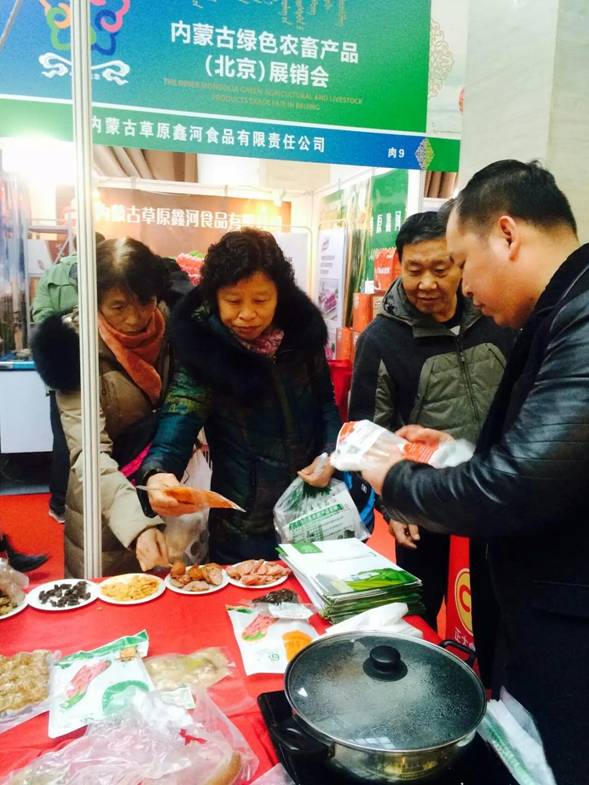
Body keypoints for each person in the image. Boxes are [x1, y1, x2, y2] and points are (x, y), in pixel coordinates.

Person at [360, 160, 588, 785]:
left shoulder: (580, 316)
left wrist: (395, 480)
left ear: (507, 235)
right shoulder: (559, 310)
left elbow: (516, 485)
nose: (460, 283)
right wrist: (457, 452)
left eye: (460, 262)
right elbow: (551, 460)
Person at [349, 210, 513, 628]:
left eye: (440, 269)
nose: (427, 283)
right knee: (417, 614)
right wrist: (393, 505)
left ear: (460, 264)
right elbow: (366, 434)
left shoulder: (496, 320)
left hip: (497, 492)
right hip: (424, 503)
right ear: (398, 265)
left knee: (495, 611)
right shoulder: (381, 340)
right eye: (414, 270)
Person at [139, 228, 341, 563]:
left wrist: (329, 454)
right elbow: (179, 418)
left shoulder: (301, 336)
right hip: (243, 528)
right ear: (214, 297)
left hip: (312, 515)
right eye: (233, 301)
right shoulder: (205, 350)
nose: (247, 314)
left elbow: (326, 405)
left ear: (279, 295)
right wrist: (157, 472)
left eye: (261, 300)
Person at [31, 237, 192, 577]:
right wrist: (136, 524)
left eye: (145, 301)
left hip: (170, 495)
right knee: (113, 599)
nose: (135, 318)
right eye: (118, 307)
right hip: (105, 507)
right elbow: (88, 454)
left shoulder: (177, 330)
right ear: (94, 300)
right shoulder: (74, 349)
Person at [31, 232, 105, 524]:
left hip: (64, 368)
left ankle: (59, 503)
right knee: (102, 437)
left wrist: (66, 325)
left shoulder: (53, 273)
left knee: (64, 439)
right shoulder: (109, 270)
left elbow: (40, 317)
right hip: (104, 368)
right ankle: (97, 501)